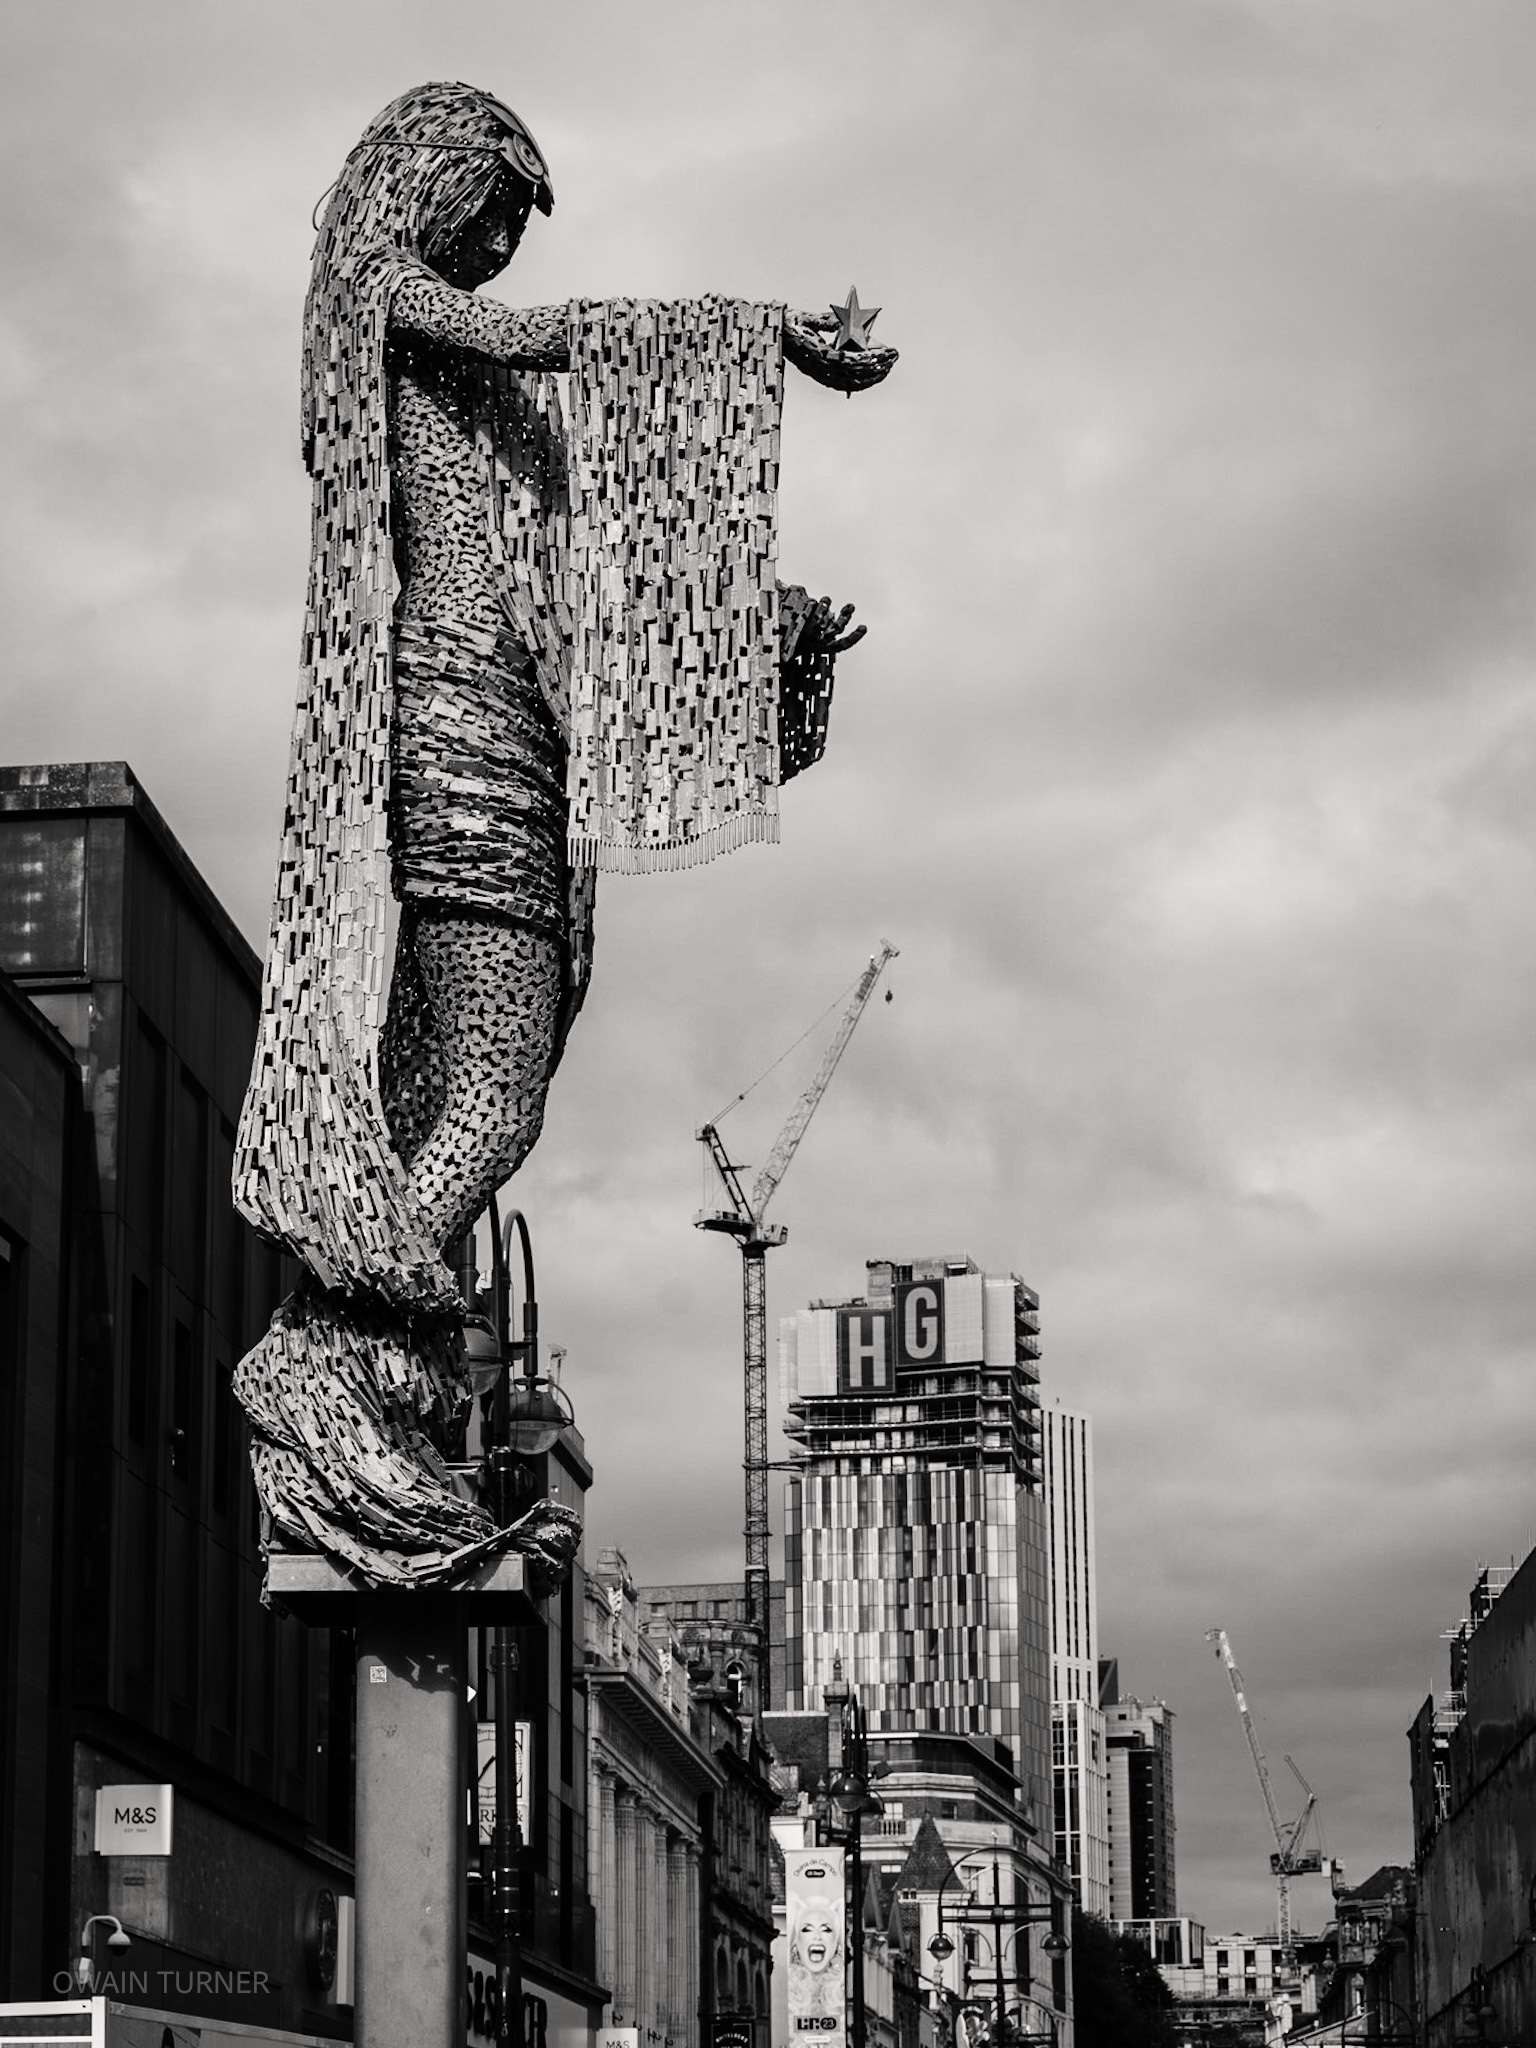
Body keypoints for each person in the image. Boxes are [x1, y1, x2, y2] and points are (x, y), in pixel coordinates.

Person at [231, 81, 895, 1585]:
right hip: (463, 714)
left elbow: (603, 604)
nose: (503, 251)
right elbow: (557, 338)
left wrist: (773, 656)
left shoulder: (475, 389)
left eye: (517, 232)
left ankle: (354, 1358)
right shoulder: (385, 294)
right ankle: (318, 1354)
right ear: (437, 180)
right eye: (498, 213)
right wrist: (760, 334)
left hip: (509, 712)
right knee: (488, 1100)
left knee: (488, 1096)